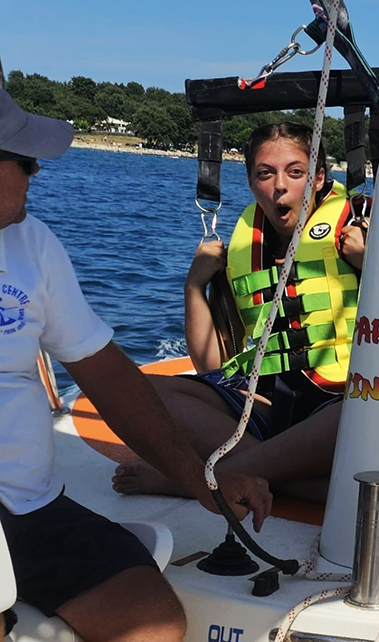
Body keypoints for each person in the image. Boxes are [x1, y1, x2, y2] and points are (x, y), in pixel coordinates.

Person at [0, 87, 272, 642]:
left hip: (31, 509)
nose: (35, 173)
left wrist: (198, 477)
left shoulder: (33, 244)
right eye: (24, 160)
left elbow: (106, 373)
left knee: (154, 624)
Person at [114, 122, 367, 505]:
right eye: (266, 173)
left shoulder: (365, 227)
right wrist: (194, 285)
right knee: (143, 391)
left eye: (295, 172)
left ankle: (197, 480)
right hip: (269, 407)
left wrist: (374, 263)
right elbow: (214, 366)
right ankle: (263, 474)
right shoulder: (244, 247)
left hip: (341, 404)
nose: (280, 185)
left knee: (359, 417)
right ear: (251, 182)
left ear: (318, 178)